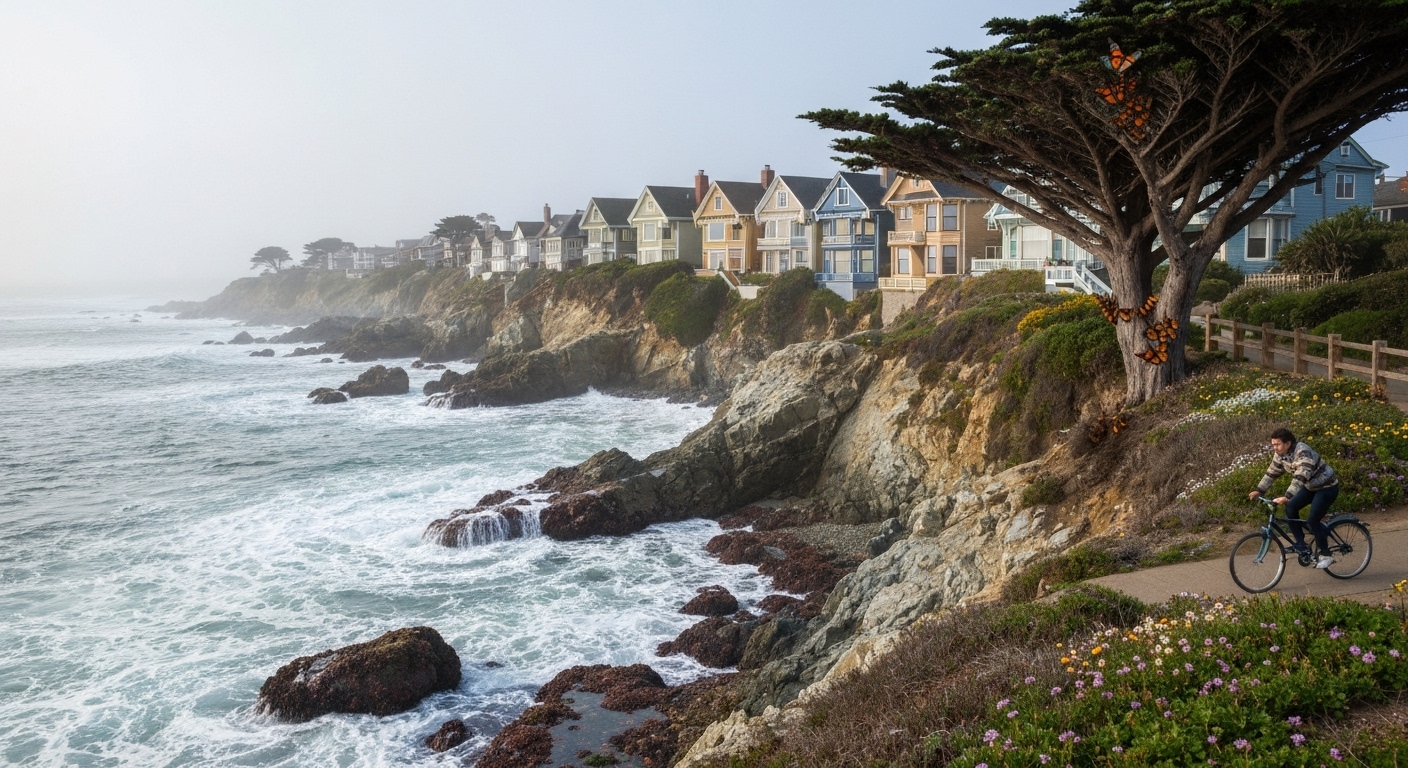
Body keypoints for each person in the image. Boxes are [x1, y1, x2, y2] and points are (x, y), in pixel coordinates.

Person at [1249, 428, 1340, 568]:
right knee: (1291, 507)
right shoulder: (1280, 454)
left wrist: (1287, 496)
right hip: (1311, 486)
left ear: (1287, 443)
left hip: (1327, 488)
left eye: (1277, 444)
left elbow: (1301, 476)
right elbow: (1272, 472)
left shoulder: (1303, 452)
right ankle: (1301, 544)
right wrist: (1259, 490)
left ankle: (1326, 554)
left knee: (1312, 520)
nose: (1274, 447)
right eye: (1273, 444)